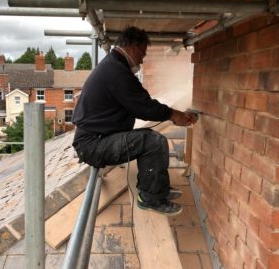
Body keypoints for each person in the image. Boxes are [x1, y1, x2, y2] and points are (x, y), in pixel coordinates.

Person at [72, 26, 198, 216]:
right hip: (93, 144)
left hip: (97, 139)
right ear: (132, 46)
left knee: (149, 138)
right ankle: (151, 198)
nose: (142, 59)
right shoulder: (116, 71)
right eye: (142, 53)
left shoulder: (114, 66)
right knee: (154, 142)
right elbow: (144, 107)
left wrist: (172, 114)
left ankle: (158, 189)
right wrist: (175, 115)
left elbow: (140, 104)